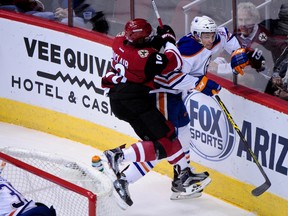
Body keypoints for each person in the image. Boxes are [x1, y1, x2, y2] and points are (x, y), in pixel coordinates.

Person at [101, 18, 221, 206]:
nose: (210, 38)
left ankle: (182, 175)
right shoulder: (144, 57)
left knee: (181, 136)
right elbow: (169, 69)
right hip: (155, 96)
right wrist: (169, 40)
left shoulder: (120, 41)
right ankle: (123, 169)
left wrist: (159, 37)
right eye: (206, 35)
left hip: (133, 95)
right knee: (163, 145)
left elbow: (145, 45)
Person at [235, 2, 288, 92]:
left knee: (240, 77)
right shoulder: (237, 34)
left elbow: (261, 71)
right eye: (240, 20)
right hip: (245, 73)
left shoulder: (264, 40)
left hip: (263, 80)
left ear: (255, 20)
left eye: (247, 20)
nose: (243, 24)